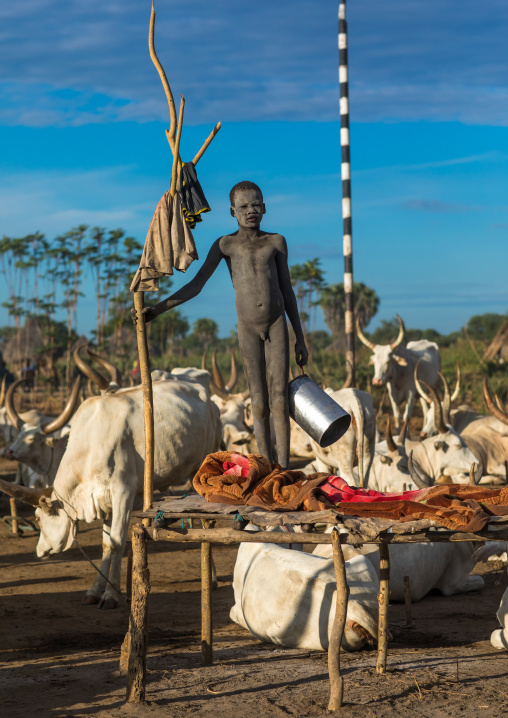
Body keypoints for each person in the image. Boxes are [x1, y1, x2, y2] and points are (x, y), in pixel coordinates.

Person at [133, 181, 308, 468]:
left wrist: (299, 337)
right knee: (259, 401)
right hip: (249, 328)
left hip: (277, 325)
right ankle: (265, 467)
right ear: (232, 212)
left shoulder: (276, 242)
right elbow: (196, 285)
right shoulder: (225, 245)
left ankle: (284, 469)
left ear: (264, 207)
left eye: (256, 205)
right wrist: (159, 309)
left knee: (279, 398)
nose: (251, 211)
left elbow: (287, 291)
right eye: (244, 207)